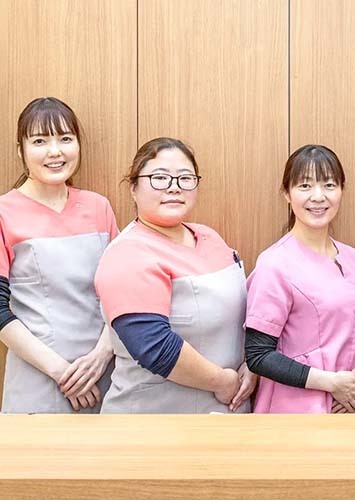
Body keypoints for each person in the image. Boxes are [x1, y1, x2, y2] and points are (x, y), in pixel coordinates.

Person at [94, 137, 256, 413]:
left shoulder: (210, 237)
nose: (174, 187)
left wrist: (254, 362)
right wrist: (223, 382)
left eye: (185, 178)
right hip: (155, 420)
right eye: (159, 178)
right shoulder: (127, 253)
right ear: (133, 188)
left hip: (224, 417)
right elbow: (153, 346)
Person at [0, 97, 119, 413]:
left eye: (65, 138)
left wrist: (101, 355)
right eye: (40, 141)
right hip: (38, 382)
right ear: (21, 151)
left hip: (105, 376)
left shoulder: (98, 207)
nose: (55, 151)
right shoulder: (4, 213)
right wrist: (62, 372)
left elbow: (123, 295)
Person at [245, 144, 355, 413]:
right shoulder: (274, 264)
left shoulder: (353, 257)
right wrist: (332, 383)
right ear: (287, 193)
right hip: (298, 411)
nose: (318, 196)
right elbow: (258, 355)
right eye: (305, 186)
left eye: (329, 185)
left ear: (341, 190)